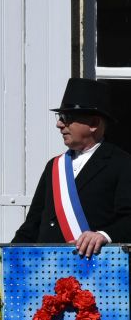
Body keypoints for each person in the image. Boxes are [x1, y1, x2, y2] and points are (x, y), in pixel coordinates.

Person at [13, 77, 131, 256]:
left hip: (93, 274)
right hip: (45, 270)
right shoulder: (54, 165)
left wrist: (104, 235)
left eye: (67, 118)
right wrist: (5, 259)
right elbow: (32, 224)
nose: (59, 124)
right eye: (60, 117)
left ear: (93, 124)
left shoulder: (121, 163)